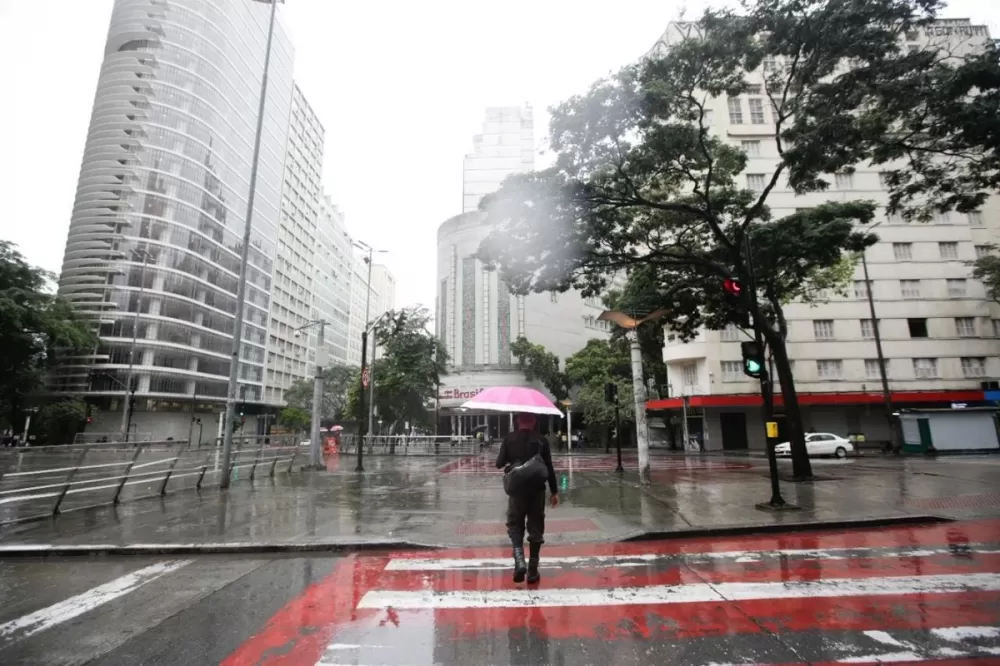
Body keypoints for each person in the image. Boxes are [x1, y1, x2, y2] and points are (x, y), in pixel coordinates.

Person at [496, 412, 559, 584]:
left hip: (517, 491)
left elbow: (499, 463)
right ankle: (532, 570)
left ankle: (519, 561)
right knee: (536, 528)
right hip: (537, 491)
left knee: (515, 525)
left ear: (518, 421)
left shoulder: (509, 439)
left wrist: (511, 462)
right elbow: (549, 467)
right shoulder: (541, 441)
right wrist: (554, 491)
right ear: (534, 422)